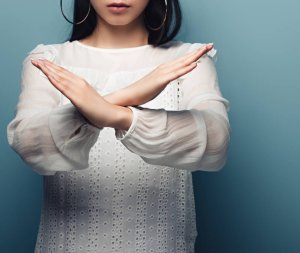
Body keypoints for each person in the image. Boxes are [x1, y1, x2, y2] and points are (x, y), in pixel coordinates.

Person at [7, 0, 231, 252]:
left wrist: (120, 117)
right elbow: (30, 144)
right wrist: (130, 94)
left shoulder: (188, 60)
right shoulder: (49, 61)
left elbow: (216, 140)